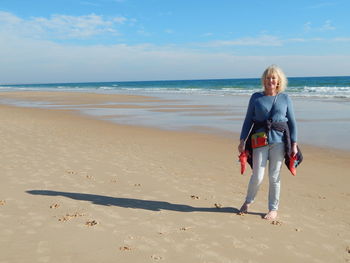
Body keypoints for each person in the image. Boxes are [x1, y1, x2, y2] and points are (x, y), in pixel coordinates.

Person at [238, 65, 298, 220]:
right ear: (264, 80)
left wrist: (294, 144)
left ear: (278, 81)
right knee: (257, 176)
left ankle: (273, 209)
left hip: (279, 142)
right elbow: (248, 121)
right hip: (259, 141)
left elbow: (292, 123)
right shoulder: (256, 97)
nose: (270, 80)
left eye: (273, 77)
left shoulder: (285, 98)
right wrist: (242, 140)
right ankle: (248, 202)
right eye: (268, 77)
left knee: (274, 176)